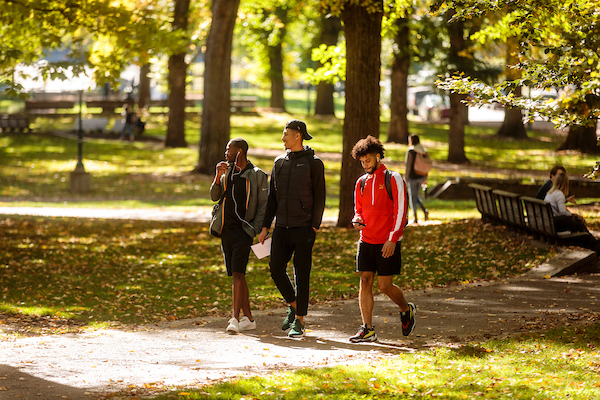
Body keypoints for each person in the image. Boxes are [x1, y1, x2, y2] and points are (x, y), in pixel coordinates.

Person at [257, 119, 326, 338]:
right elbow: (272, 198)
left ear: (298, 136)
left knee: (301, 274)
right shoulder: (279, 162)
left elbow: (320, 198)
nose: (282, 137)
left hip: (304, 228)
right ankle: (295, 305)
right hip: (282, 228)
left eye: (286, 134)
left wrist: (314, 227)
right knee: (276, 269)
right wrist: (266, 226)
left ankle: (299, 321)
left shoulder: (314, 163)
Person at [349, 135, 416, 343]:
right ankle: (367, 328)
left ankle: (406, 309)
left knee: (385, 286)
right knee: (365, 280)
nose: (365, 164)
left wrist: (393, 239)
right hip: (366, 240)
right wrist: (356, 219)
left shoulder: (392, 178)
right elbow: (358, 210)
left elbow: (401, 211)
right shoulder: (361, 183)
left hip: (387, 241)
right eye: (362, 161)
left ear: (378, 157)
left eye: (368, 160)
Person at [210, 138, 269, 333]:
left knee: (238, 273)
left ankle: (234, 319)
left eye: (229, 149)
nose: (225, 152)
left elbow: (263, 205)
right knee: (238, 274)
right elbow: (214, 195)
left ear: (240, 152)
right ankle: (249, 318)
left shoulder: (257, 175)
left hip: (244, 231)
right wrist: (218, 177)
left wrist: (257, 229)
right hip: (226, 229)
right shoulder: (227, 171)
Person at [544, 171, 599, 252]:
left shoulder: (550, 193)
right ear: (565, 183)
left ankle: (592, 243)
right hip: (556, 223)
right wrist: (574, 215)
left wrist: (566, 203)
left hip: (550, 222)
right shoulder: (559, 194)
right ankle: (594, 244)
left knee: (577, 223)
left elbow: (557, 206)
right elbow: (563, 212)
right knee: (578, 223)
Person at [404, 134, 429, 224]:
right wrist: (425, 177)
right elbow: (426, 164)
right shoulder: (423, 150)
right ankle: (424, 211)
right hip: (421, 176)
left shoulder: (411, 151)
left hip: (413, 177)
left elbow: (408, 165)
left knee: (412, 197)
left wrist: (405, 178)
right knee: (415, 196)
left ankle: (415, 217)